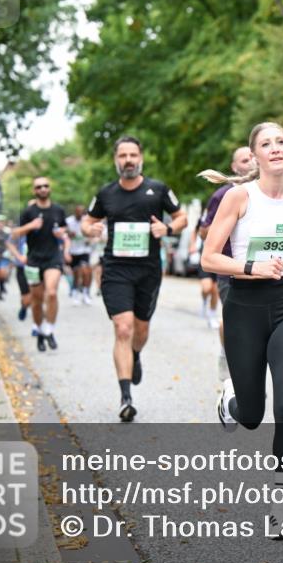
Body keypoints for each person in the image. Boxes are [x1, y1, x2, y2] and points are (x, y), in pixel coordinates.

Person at [200, 122, 283, 538]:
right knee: (254, 416)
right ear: (255, 156)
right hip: (244, 307)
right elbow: (207, 258)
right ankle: (231, 401)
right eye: (265, 144)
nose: (274, 149)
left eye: (280, 142)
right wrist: (249, 267)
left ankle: (280, 507)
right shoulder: (239, 197)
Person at [82, 135, 187, 422]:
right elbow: (87, 221)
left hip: (148, 271)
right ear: (116, 160)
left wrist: (167, 229)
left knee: (140, 331)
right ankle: (125, 396)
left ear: (140, 158)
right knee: (123, 328)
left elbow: (181, 218)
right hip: (115, 270)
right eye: (122, 156)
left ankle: (135, 355)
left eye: (132, 155)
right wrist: (90, 230)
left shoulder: (158, 189)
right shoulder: (106, 194)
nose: (127, 160)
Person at [195, 146, 255, 380]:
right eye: (244, 159)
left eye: (252, 157)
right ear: (234, 167)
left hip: (262, 269)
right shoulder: (222, 196)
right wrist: (229, 220)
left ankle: (249, 371)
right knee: (233, 322)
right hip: (229, 269)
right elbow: (203, 232)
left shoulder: (267, 193)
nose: (249, 162)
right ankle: (227, 354)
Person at [13, 177, 70, 352]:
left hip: (53, 258)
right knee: (36, 301)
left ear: (50, 188)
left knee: (51, 293)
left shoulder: (58, 210)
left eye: (46, 186)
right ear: (34, 191)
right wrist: (30, 226)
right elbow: (14, 234)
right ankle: (38, 329)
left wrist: (62, 233)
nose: (43, 189)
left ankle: (49, 329)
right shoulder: (28, 211)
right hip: (34, 260)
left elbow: (64, 229)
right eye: (39, 187)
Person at [189, 211, 221, 329]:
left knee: (215, 290)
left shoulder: (226, 212)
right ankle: (204, 301)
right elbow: (195, 231)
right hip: (206, 256)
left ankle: (212, 316)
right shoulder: (205, 216)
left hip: (221, 257)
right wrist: (192, 245)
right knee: (206, 287)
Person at [66, 205, 93, 305]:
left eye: (82, 211)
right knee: (76, 274)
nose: (80, 213)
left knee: (85, 271)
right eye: (78, 211)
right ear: (75, 211)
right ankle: (76, 292)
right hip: (73, 251)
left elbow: (91, 233)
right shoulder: (69, 221)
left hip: (84, 250)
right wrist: (68, 233)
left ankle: (85, 293)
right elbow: (64, 233)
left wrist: (89, 239)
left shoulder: (86, 221)